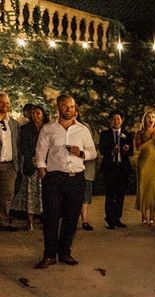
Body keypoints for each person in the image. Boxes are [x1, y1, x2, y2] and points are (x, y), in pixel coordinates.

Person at [34, 94, 97, 268]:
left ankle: (64, 253)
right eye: (65, 106)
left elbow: (93, 152)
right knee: (51, 217)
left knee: (71, 218)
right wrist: (42, 170)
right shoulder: (48, 129)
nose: (69, 110)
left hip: (76, 178)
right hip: (54, 178)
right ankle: (49, 255)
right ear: (58, 107)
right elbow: (40, 152)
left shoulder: (83, 129)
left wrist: (82, 154)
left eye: (72, 106)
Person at [12, 105, 47, 231]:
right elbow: (22, 146)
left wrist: (43, 158)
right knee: (30, 193)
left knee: (47, 193)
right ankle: (30, 221)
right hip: (31, 165)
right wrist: (32, 157)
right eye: (33, 114)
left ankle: (47, 219)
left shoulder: (49, 127)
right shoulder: (26, 128)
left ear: (43, 114)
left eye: (37, 113)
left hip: (47, 165)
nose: (35, 116)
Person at [99, 111, 134, 229]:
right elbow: (102, 150)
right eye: (114, 119)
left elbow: (131, 152)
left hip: (122, 168)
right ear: (110, 121)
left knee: (120, 194)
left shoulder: (127, 135)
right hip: (109, 167)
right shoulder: (105, 134)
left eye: (118, 119)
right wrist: (112, 151)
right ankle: (109, 219)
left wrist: (126, 150)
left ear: (122, 120)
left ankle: (117, 218)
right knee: (110, 194)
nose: (116, 121)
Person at [134, 110, 155, 225]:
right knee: (143, 188)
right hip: (143, 163)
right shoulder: (140, 133)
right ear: (145, 120)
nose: (151, 119)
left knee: (153, 189)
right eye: (148, 117)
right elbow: (139, 148)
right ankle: (143, 216)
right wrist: (150, 140)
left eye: (153, 117)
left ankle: (152, 216)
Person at [0, 92, 20, 231]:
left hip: (10, 165)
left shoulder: (13, 123)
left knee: (7, 194)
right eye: (2, 102)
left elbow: (17, 143)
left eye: (7, 103)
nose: (5, 105)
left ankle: (3, 221)